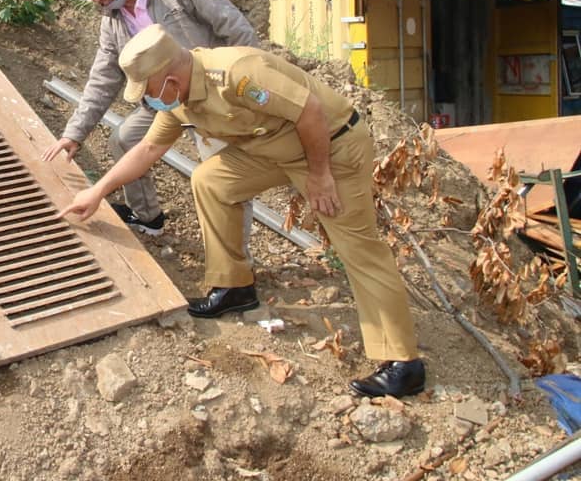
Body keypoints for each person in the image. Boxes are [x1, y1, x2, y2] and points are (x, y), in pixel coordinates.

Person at [58, 24, 425, 398]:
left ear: (168, 78)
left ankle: (403, 363)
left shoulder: (237, 73)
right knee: (211, 180)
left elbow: (309, 111)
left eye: (149, 92)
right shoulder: (180, 99)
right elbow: (148, 150)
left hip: (330, 146)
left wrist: (320, 175)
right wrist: (98, 192)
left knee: (359, 250)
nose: (148, 102)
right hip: (273, 150)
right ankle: (234, 286)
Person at [42, 0, 258, 236]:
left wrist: (246, 86)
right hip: (163, 103)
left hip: (208, 95)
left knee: (222, 176)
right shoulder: (112, 22)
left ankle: (237, 267)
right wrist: (74, 134)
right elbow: (102, 79)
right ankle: (147, 218)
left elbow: (235, 28)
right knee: (124, 139)